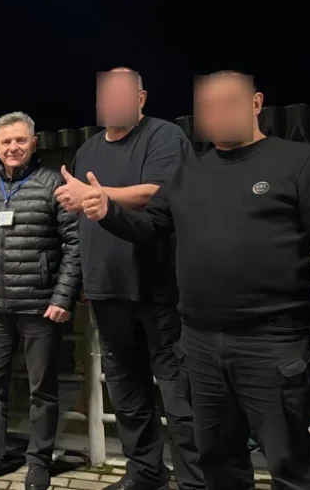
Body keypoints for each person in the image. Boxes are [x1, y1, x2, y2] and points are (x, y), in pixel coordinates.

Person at [82, 70, 310, 490]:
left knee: (290, 465)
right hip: (199, 343)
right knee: (218, 463)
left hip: (272, 343)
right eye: (208, 107)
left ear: (256, 103)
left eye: (229, 102)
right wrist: (107, 211)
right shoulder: (188, 173)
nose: (218, 113)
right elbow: (151, 226)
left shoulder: (299, 162)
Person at [55, 67, 204, 490]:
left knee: (179, 395)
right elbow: (81, 217)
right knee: (127, 393)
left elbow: (160, 192)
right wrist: (83, 276)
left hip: (159, 290)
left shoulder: (164, 136)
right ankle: (145, 472)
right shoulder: (87, 150)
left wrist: (97, 195)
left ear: (141, 98)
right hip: (106, 290)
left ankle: (197, 480)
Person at [0, 112, 81, 490]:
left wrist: (63, 297)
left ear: (34, 143)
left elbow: (74, 245)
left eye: (20, 140)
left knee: (41, 389)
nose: (13, 147)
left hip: (40, 307)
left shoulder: (52, 185)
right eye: (6, 142)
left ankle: (39, 461)